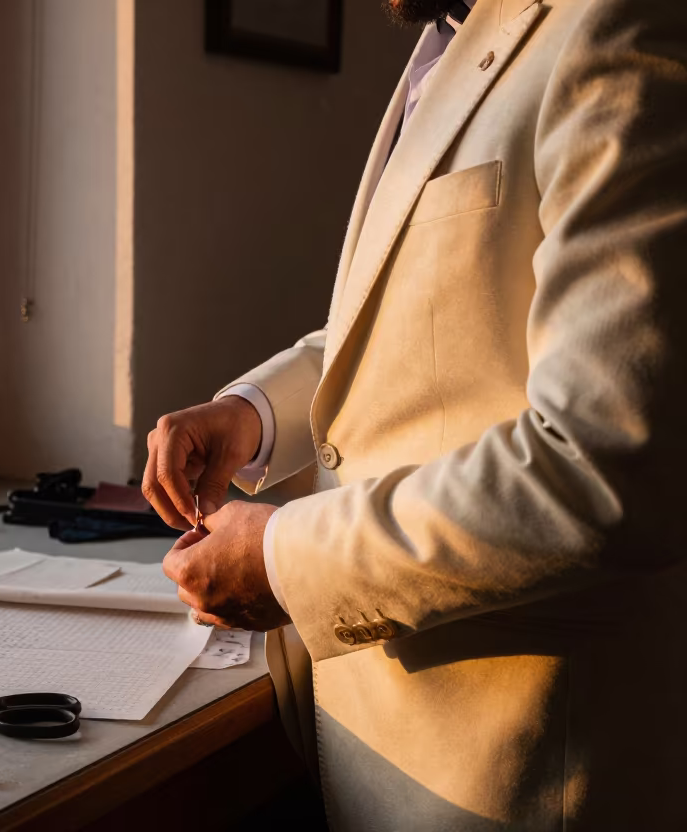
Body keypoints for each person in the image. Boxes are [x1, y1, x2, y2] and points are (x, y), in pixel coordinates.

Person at [144, 0, 687, 828]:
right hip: (387, 752)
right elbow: (415, 313)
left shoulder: (621, 25)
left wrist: (285, 561)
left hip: (521, 772)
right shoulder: (448, 39)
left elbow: (604, 460)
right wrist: (252, 415)